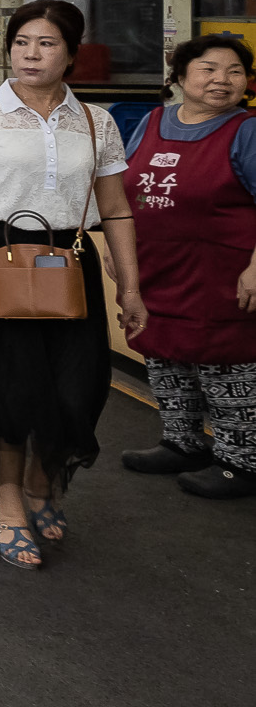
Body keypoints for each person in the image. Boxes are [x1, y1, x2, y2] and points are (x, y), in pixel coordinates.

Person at [0, 0, 142, 570]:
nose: (31, 53)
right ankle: (10, 508)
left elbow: (116, 208)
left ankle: (42, 483)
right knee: (7, 392)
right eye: (22, 42)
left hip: (66, 268)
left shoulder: (96, 122)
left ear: (71, 53)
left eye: (47, 43)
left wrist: (130, 286)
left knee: (79, 391)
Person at [117, 33, 256, 498]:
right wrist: (119, 252)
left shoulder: (247, 130)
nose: (223, 80)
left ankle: (242, 463)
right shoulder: (153, 120)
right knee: (163, 352)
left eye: (235, 71)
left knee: (225, 362)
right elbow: (122, 190)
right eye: (209, 69)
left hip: (222, 273)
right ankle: (182, 442)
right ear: (179, 76)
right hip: (158, 265)